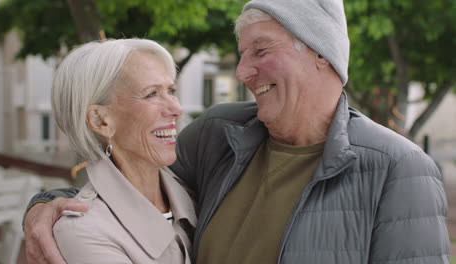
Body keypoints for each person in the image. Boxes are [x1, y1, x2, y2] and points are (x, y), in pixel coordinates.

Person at [23, 0, 450, 263]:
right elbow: (130, 183)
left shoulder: (398, 168)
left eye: (261, 51)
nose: (245, 71)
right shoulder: (219, 133)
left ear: (322, 55)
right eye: (242, 54)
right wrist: (47, 204)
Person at [35, 38, 196, 264]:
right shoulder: (84, 232)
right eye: (152, 94)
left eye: (171, 90)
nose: (176, 108)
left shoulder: (195, 192)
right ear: (101, 120)